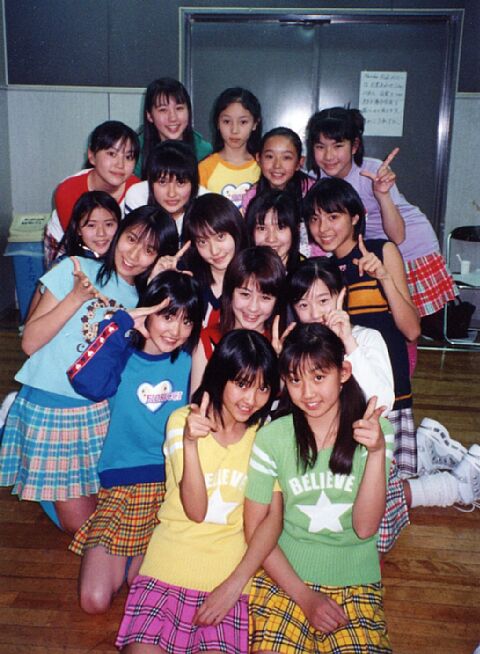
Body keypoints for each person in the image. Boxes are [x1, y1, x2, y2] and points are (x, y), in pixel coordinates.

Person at [0, 206, 178, 533]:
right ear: (119, 234)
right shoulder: (76, 268)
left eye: (149, 250)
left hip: (99, 412)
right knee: (81, 527)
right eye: (131, 239)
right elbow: (29, 343)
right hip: (50, 407)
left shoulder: (141, 298)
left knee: (109, 515)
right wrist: (76, 297)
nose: (134, 255)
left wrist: (159, 285)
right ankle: (32, 458)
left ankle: (47, 479)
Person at [116, 329, 282, 653]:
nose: (251, 399)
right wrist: (190, 444)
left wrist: (234, 584)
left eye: (262, 388)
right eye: (242, 384)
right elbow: (196, 511)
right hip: (168, 565)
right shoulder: (183, 421)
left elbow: (272, 520)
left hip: (227, 576)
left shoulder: (265, 435)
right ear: (220, 377)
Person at [246, 323, 394, 653]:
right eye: (295, 380)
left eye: (318, 377)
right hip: (284, 578)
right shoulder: (272, 438)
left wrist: (377, 453)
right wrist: (305, 596)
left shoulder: (377, 430)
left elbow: (365, 528)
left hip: (356, 580)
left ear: (343, 373)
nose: (308, 393)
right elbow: (255, 530)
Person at [66, 271, 203, 614]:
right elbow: (87, 384)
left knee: (139, 587)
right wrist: (123, 323)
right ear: (149, 312)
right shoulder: (122, 352)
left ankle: (136, 562)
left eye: (186, 321)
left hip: (170, 487)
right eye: (167, 316)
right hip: (121, 486)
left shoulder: (190, 361)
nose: (176, 330)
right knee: (94, 601)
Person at [286, 257, 411, 553]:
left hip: (357, 453)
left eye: (323, 301)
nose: (314, 313)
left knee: (366, 542)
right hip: (313, 454)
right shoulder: (293, 345)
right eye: (303, 304)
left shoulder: (365, 338)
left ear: (342, 295)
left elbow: (383, 403)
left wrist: (347, 341)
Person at [306, 107, 457, 339]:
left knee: (405, 321)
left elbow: (397, 237)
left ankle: (400, 360)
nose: (328, 156)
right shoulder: (317, 177)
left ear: (354, 146)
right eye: (320, 146)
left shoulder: (373, 171)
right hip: (370, 251)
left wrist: (382, 194)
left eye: (338, 146)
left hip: (409, 247)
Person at [304, 177, 420, 478]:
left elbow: (412, 330)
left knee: (390, 482)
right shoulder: (324, 271)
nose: (322, 228)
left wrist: (384, 278)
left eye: (333, 216)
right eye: (314, 219)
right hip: (345, 393)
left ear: (355, 217)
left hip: (388, 389)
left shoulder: (381, 251)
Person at [191, 246, 285, 394]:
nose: (253, 307)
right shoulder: (207, 340)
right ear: (230, 293)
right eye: (245, 295)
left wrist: (276, 361)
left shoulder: (283, 344)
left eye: (265, 298)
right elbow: (197, 404)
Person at [44, 121, 140, 266]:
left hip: (116, 248)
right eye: (112, 154)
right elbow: (77, 246)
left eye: (128, 157)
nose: (120, 164)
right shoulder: (68, 191)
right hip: (69, 245)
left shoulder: (138, 191)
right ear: (92, 156)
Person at [241, 126, 319, 256]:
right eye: (270, 156)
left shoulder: (313, 193)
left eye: (286, 158)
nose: (277, 165)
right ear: (258, 158)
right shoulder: (251, 197)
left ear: (299, 162)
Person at [182, 193, 247, 330]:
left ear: (236, 231)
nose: (214, 251)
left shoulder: (256, 277)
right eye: (202, 242)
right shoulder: (185, 277)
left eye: (220, 237)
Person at [135, 77, 212, 178]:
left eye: (179, 108)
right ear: (149, 116)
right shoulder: (135, 152)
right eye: (163, 110)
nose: (173, 118)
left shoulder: (204, 152)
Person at [198, 88, 262, 208]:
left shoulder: (263, 166)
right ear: (217, 123)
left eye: (243, 122)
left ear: (255, 124)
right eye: (227, 121)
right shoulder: (204, 168)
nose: (234, 130)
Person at [125, 140, 200, 241]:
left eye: (181, 183)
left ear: (193, 183)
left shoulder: (205, 206)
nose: (171, 193)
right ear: (150, 182)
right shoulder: (137, 195)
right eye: (162, 182)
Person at [245, 189, 302, 273]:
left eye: (280, 227)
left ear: (297, 229)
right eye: (262, 228)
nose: (271, 239)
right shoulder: (242, 275)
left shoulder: (307, 276)